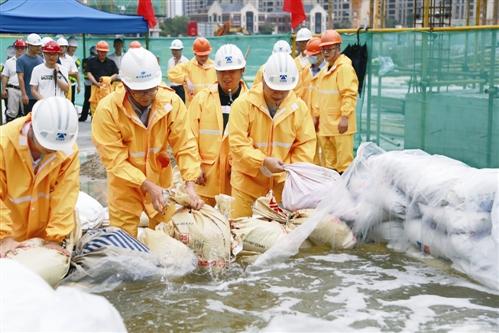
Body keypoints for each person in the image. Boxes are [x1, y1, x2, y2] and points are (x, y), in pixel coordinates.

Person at [92, 47, 204, 238]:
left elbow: (185, 144)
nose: (147, 96)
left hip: (160, 183)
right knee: (124, 243)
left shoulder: (171, 103)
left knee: (167, 240)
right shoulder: (108, 110)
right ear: (126, 86)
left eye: (151, 89)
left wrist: (190, 184)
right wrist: (146, 185)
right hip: (124, 186)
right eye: (139, 91)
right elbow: (114, 161)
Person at [228, 53, 316, 218]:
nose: (278, 94)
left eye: (283, 91)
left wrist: (287, 169)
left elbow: (306, 144)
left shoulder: (299, 108)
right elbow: (238, 143)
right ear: (264, 80)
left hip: (281, 187)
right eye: (274, 89)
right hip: (246, 186)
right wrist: (262, 161)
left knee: (276, 236)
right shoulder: (243, 104)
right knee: (240, 232)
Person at [0, 96, 79, 258]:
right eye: (48, 145)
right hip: (7, 235)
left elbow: (65, 197)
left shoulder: (67, 150)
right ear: (33, 128)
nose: (53, 151)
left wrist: (55, 238)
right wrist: (4, 237)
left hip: (42, 238)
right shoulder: (4, 143)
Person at [188, 44, 248, 206]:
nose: (226, 76)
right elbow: (189, 136)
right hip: (206, 179)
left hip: (236, 179)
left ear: (242, 70)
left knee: (235, 224)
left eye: (232, 71)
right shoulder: (202, 99)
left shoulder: (251, 103)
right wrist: (194, 166)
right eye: (222, 71)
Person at [313, 29, 358, 174]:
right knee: (330, 166)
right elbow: (320, 97)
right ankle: (333, 194)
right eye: (323, 49)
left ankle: (345, 194)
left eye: (329, 49)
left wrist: (345, 117)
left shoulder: (344, 68)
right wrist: (317, 117)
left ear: (338, 48)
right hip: (327, 126)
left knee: (344, 166)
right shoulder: (325, 70)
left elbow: (349, 94)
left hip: (340, 127)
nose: (325, 53)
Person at [300, 37, 327, 165]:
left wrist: (317, 115)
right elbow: (299, 92)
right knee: (309, 151)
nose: (311, 58)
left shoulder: (328, 72)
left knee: (326, 153)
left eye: (314, 55)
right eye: (310, 55)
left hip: (324, 120)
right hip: (307, 118)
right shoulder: (305, 71)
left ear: (322, 53)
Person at [168, 37, 216, 107]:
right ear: (195, 54)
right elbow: (171, 74)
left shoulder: (214, 66)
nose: (203, 58)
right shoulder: (188, 66)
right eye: (200, 56)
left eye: (205, 55)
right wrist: (186, 79)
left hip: (210, 107)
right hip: (193, 107)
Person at [85, 41, 119, 117]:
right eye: (101, 52)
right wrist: (96, 83)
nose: (103, 53)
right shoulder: (91, 62)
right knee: (95, 110)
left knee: (107, 110)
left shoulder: (111, 62)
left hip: (107, 89)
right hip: (95, 88)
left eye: (104, 52)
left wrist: (108, 79)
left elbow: (116, 74)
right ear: (97, 51)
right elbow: (88, 73)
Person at [16, 33, 44, 113]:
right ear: (29, 45)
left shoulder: (41, 59)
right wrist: (24, 94)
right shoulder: (21, 60)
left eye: (39, 45)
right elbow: (20, 78)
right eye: (37, 46)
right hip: (29, 96)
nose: (39, 48)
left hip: (40, 96)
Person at [1, 39, 26, 122]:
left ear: (25, 49)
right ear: (14, 49)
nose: (20, 50)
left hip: (25, 89)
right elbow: (5, 76)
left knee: (25, 112)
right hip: (12, 89)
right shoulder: (9, 62)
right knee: (12, 113)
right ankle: (9, 131)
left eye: (22, 48)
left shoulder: (28, 60)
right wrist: (3, 89)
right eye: (18, 47)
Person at [56, 37, 79, 103]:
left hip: (69, 85)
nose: (61, 48)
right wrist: (68, 72)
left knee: (70, 103)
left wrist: (62, 72)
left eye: (63, 47)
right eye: (60, 46)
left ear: (66, 48)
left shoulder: (70, 59)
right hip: (57, 85)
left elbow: (75, 72)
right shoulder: (53, 58)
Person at [79, 46, 97, 122]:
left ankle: (84, 116)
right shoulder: (95, 61)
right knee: (94, 100)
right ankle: (94, 116)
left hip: (88, 82)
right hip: (94, 83)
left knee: (87, 100)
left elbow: (83, 71)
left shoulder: (85, 60)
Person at [66, 38, 81, 105]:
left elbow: (77, 73)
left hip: (73, 84)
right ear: (68, 47)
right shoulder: (62, 57)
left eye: (75, 47)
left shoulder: (76, 59)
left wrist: (79, 85)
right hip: (64, 84)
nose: (73, 49)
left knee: (72, 101)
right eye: (72, 47)